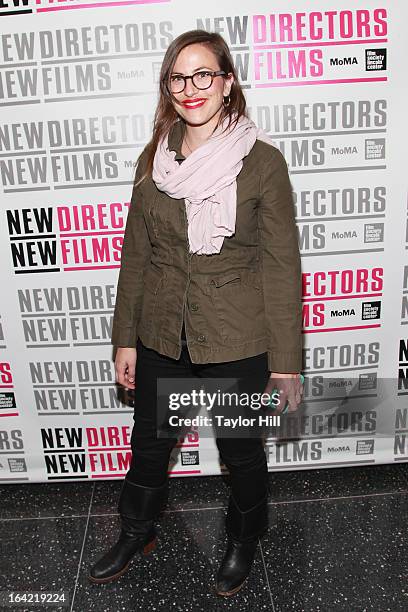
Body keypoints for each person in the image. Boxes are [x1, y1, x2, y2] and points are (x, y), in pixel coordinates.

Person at [88, 29, 304, 598]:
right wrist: (125, 339)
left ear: (227, 82)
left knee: (239, 449)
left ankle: (243, 538)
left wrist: (285, 364)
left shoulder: (262, 164)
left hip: (237, 336)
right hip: (162, 331)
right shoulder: (154, 159)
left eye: (204, 74)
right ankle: (138, 531)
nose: (191, 87)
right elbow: (137, 255)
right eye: (179, 77)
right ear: (168, 87)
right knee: (150, 443)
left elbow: (282, 268)